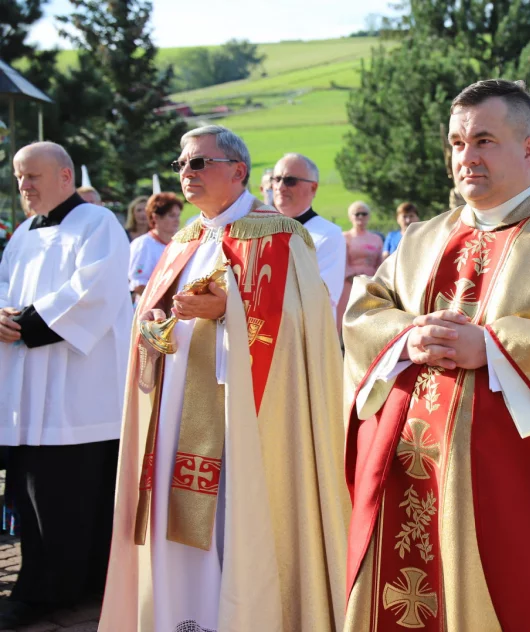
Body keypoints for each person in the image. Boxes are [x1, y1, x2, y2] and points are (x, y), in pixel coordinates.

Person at [343, 79, 530, 631]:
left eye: (483, 140)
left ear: (528, 148)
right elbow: (365, 310)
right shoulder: (422, 238)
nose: (466, 157)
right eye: (457, 143)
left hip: (513, 492)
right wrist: (408, 337)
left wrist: (494, 346)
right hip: (412, 474)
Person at [99, 125, 348, 632]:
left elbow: (305, 325)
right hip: (175, 412)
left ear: (237, 171)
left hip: (245, 415)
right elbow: (148, 310)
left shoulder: (281, 236)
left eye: (198, 163)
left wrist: (228, 308)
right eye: (181, 165)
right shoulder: (184, 240)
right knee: (179, 519)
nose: (186, 173)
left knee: (234, 521)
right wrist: (153, 326)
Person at [0, 142, 132, 627]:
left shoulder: (97, 224)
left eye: (31, 176)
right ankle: (57, 585)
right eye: (18, 178)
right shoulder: (21, 235)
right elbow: (3, 284)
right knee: (34, 491)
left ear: (63, 175)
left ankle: (51, 592)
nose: (24, 187)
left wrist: (27, 325)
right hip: (30, 388)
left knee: (74, 495)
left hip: (81, 391)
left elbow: (95, 290)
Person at [272, 152, 346, 321]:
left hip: (307, 333)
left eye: (290, 180)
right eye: (276, 179)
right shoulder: (260, 229)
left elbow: (319, 295)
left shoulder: (328, 234)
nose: (280, 187)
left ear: (313, 187)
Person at [337, 200, 383, 329]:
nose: (361, 217)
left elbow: (380, 262)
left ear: (369, 216)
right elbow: (342, 261)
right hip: (349, 283)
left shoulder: (376, 239)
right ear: (350, 217)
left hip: (370, 283)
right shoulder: (345, 237)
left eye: (364, 214)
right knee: (346, 315)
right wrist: (352, 276)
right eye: (357, 214)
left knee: (369, 315)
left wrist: (378, 279)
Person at [128, 192, 183, 299]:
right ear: (156, 217)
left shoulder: (181, 243)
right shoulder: (143, 244)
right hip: (151, 310)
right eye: (171, 215)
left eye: (178, 215)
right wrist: (163, 303)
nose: (177, 220)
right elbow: (139, 284)